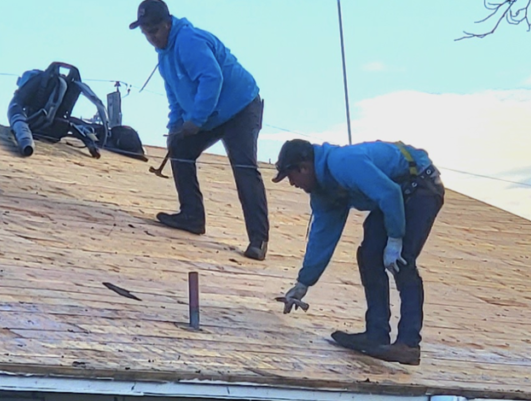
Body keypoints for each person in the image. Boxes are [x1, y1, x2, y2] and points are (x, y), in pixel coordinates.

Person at [275, 139, 445, 366]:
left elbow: (389, 194)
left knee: (402, 261)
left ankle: (408, 343)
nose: (292, 184)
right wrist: (304, 282)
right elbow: (323, 236)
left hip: (419, 185)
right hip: (396, 193)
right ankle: (377, 334)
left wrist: (395, 240)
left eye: (291, 177)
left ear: (304, 167)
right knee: (368, 256)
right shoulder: (324, 192)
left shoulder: (344, 163)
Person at [130, 0, 270, 260]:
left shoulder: (188, 41)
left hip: (240, 106)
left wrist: (196, 120)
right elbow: (176, 99)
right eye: (146, 34)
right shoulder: (164, 59)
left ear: (167, 24)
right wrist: (175, 129)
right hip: (211, 113)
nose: (151, 38)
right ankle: (192, 216)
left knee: (243, 167)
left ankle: (258, 240)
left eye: (155, 31)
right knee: (180, 149)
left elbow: (211, 78)